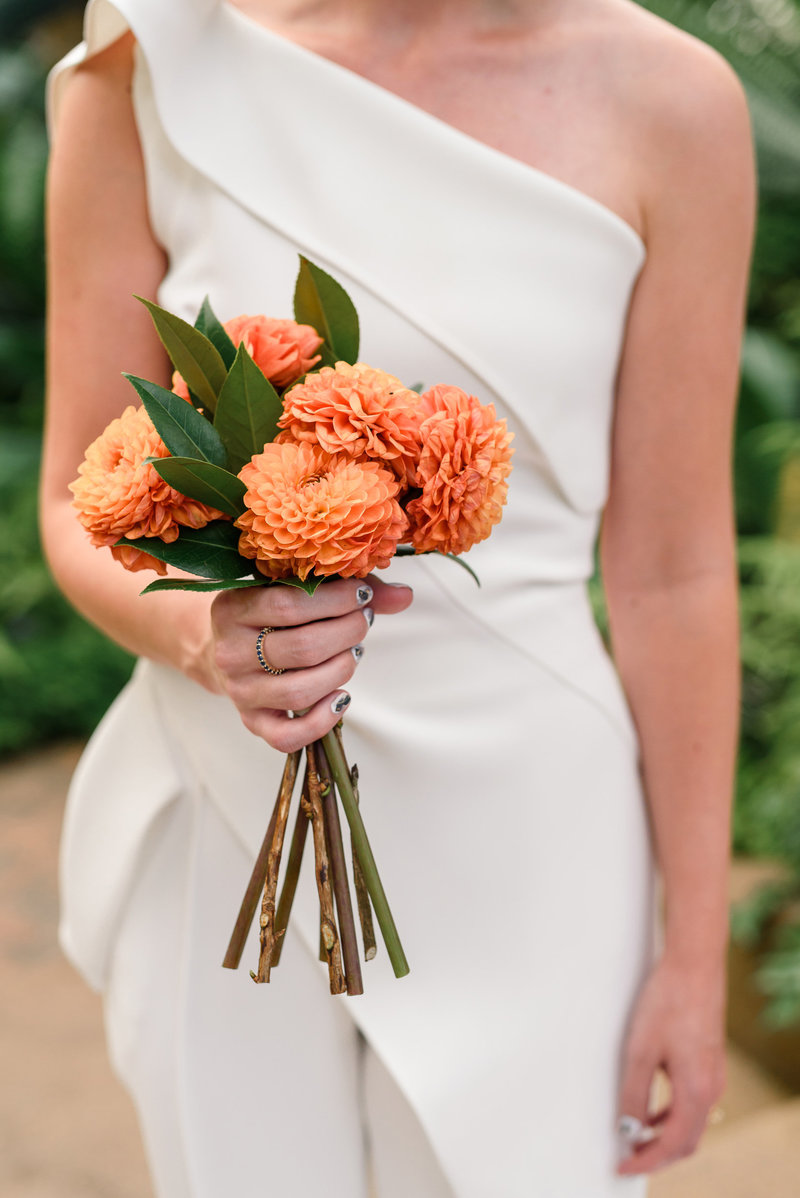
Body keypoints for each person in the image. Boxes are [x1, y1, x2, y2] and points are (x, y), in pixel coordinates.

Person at [42, 0, 754, 1193]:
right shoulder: (148, 59)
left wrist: (689, 958)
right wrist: (205, 638)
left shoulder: (671, 104)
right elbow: (75, 496)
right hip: (224, 806)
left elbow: (671, 569)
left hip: (534, 836)